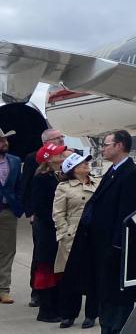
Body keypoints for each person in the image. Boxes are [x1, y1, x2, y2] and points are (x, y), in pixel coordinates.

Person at [70, 130, 136, 334]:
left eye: (106, 144)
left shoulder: (131, 175)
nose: (102, 148)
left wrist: (116, 246)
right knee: (105, 297)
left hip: (116, 252)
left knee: (117, 301)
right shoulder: (113, 171)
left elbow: (127, 216)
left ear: (119, 146)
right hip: (102, 248)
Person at [21, 128, 66, 309]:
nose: (62, 140)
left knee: (57, 256)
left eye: (62, 137)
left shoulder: (66, 156)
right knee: (41, 256)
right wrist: (30, 211)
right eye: (58, 138)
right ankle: (37, 292)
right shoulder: (34, 159)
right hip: (42, 216)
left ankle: (55, 292)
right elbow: (27, 186)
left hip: (58, 218)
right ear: (47, 142)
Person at [54, 151, 100, 329]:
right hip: (72, 236)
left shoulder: (97, 183)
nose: (86, 165)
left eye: (86, 163)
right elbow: (58, 214)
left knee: (92, 276)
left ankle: (91, 314)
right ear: (72, 169)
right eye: (82, 164)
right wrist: (63, 234)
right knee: (70, 277)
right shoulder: (63, 187)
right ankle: (68, 314)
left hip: (92, 235)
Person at [31, 143, 69, 323]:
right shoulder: (42, 178)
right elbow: (39, 207)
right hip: (47, 229)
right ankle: (46, 310)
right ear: (48, 159)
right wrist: (58, 220)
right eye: (58, 154)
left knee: (56, 267)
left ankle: (56, 306)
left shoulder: (58, 177)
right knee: (46, 268)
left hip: (55, 228)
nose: (62, 157)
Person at [0, 128, 24, 305]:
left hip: (8, 210)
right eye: (1, 141)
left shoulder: (14, 161)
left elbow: (19, 186)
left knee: (8, 251)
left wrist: (18, 205)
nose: (5, 143)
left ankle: (3, 289)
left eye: (5, 140)